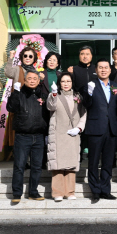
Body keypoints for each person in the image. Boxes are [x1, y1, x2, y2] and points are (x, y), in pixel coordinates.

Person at [81, 59, 117, 202]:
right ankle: (95, 190)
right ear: (96, 70)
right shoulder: (90, 85)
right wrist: (89, 93)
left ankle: (105, 189)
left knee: (108, 161)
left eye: (106, 68)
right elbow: (85, 104)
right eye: (100, 68)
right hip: (95, 128)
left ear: (110, 70)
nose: (103, 70)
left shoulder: (116, 86)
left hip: (111, 129)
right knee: (93, 161)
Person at [6, 70, 48, 203]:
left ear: (38, 81)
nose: (32, 80)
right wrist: (15, 93)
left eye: (35, 78)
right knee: (19, 165)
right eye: (29, 78)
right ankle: (17, 193)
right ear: (24, 80)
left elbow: (48, 113)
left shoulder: (42, 95)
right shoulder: (19, 93)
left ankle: (33, 192)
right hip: (22, 136)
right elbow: (10, 108)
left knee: (36, 166)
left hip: (39, 136)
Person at [46, 72, 86, 201]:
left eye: (68, 81)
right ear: (59, 83)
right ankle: (57, 192)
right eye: (63, 81)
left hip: (73, 134)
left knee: (71, 164)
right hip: (59, 134)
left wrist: (79, 128)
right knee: (58, 164)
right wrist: (53, 94)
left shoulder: (78, 96)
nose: (66, 84)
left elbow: (84, 114)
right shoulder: (54, 95)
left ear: (72, 82)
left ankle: (70, 192)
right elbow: (50, 106)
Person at [4, 46, 40, 148]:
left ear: (34, 59)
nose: (27, 58)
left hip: (32, 105)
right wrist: (10, 57)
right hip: (20, 104)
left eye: (30, 56)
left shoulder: (36, 72)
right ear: (22, 57)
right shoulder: (17, 69)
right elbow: (8, 72)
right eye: (25, 56)